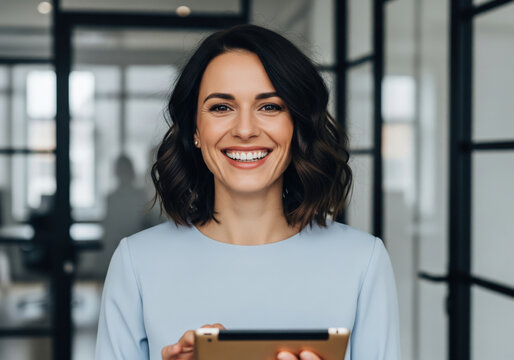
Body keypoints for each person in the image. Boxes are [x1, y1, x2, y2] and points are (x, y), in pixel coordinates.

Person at [95, 24, 400, 360]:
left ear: (296, 125)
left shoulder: (363, 261)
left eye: (269, 107)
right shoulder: (137, 262)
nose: (244, 130)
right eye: (221, 108)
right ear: (195, 130)